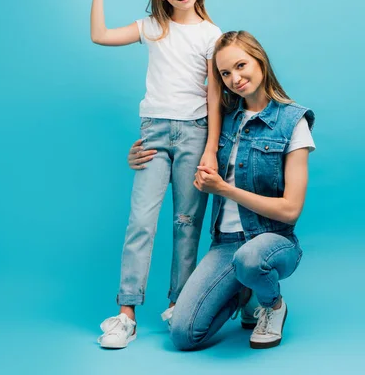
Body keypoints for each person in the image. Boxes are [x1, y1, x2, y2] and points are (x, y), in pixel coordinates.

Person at [128, 30, 315, 349]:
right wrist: (145, 155)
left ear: (260, 60)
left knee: (251, 257)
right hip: (225, 244)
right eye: (225, 73)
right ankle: (243, 291)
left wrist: (225, 190)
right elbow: (181, 156)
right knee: (184, 335)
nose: (235, 78)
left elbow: (290, 209)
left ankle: (272, 305)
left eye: (241, 66)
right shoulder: (220, 122)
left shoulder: (291, 121)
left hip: (272, 241)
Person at [85, 0, 222, 349]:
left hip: (196, 133)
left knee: (186, 224)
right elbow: (100, 35)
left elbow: (215, 96)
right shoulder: (152, 28)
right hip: (155, 133)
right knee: (141, 222)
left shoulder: (212, 35)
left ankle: (179, 303)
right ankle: (126, 313)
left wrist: (211, 148)